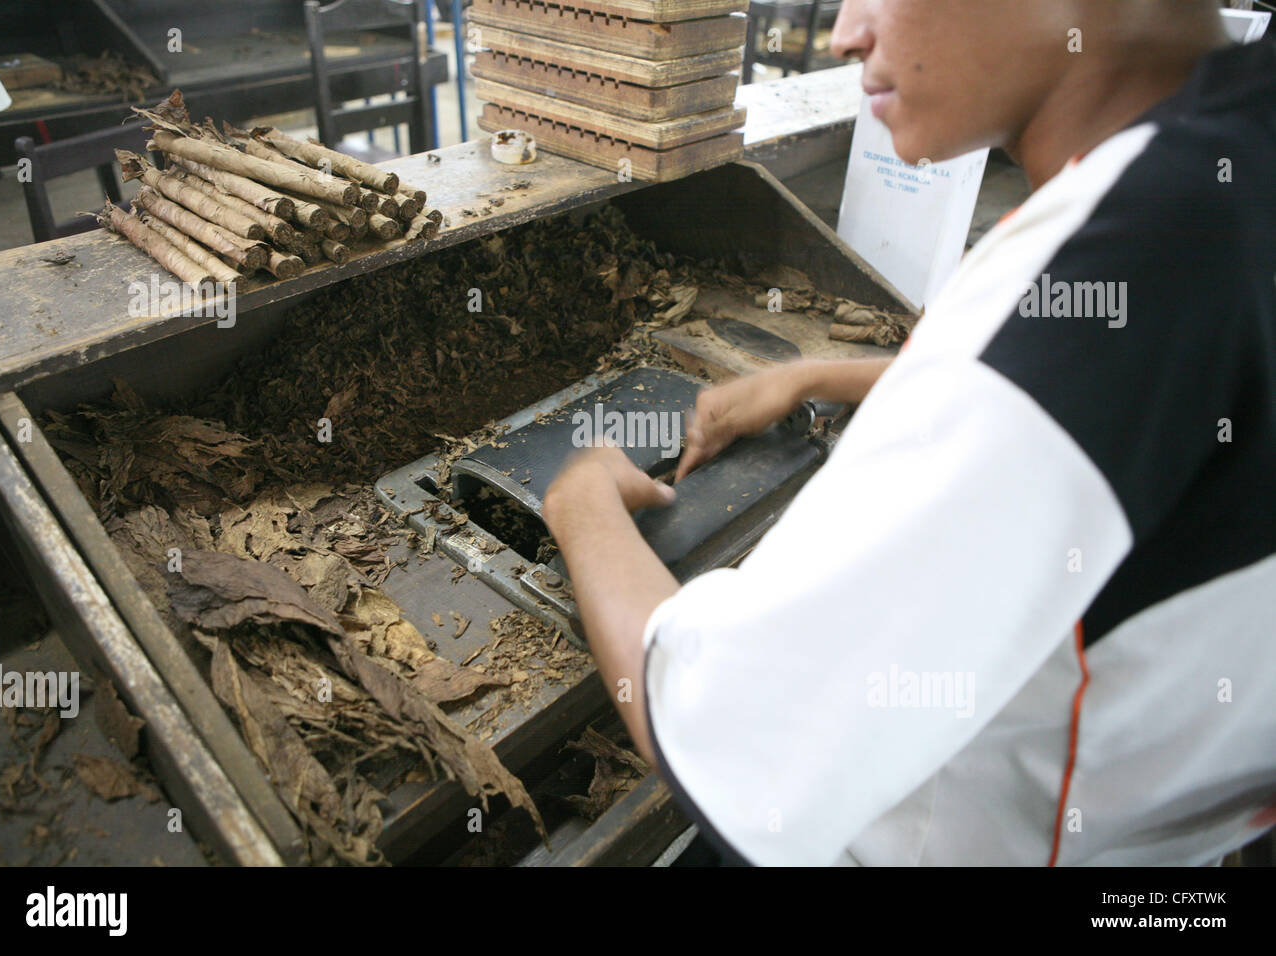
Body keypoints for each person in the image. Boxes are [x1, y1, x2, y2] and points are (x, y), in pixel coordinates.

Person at [542, 0, 1276, 865]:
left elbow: (730, 727)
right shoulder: (1234, 151)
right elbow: (1118, 403)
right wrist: (817, 375)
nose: (847, 32)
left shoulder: (1121, 255)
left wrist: (582, 499)